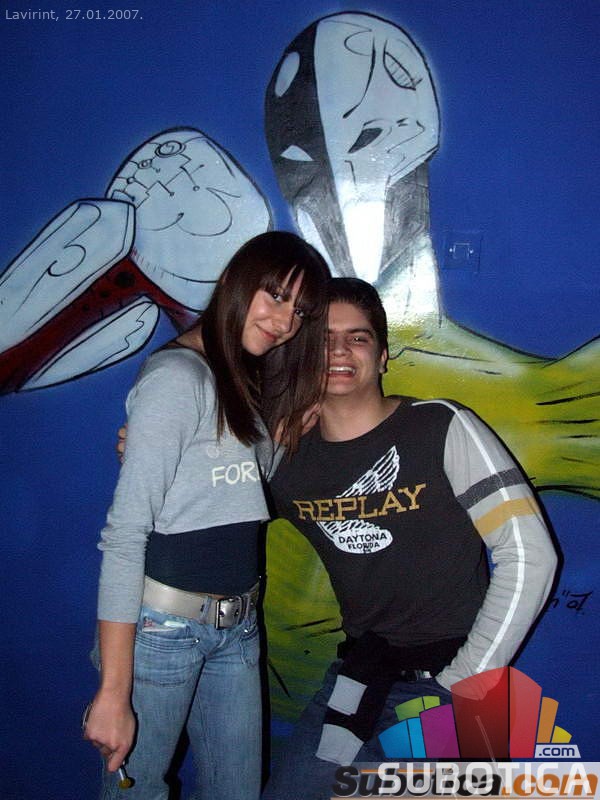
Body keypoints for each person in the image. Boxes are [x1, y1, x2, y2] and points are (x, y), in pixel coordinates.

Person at [262, 278, 557, 798]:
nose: (339, 350)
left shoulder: (441, 426)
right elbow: (204, 509)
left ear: (382, 357)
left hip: (456, 675)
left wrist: (466, 681)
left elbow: (530, 554)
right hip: (359, 675)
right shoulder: (285, 459)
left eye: (357, 338)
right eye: (323, 339)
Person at [83, 230, 330, 800]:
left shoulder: (238, 377)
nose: (284, 321)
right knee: (138, 793)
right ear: (235, 283)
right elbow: (125, 535)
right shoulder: (178, 376)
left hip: (238, 628)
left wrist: (281, 439)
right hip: (164, 631)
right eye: (276, 296)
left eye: (299, 311)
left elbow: (233, 490)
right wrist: (114, 693)